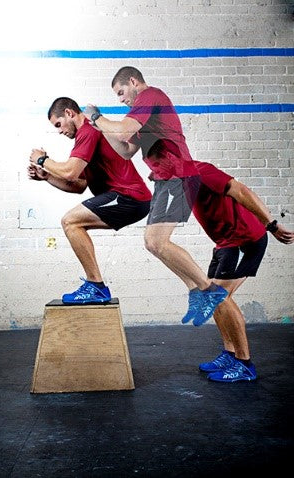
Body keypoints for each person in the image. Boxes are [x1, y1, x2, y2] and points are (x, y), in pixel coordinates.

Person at [84, 66, 228, 326]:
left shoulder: (150, 96)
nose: (121, 99)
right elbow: (126, 149)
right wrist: (101, 128)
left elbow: (124, 131)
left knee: (158, 242)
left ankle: (209, 290)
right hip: (164, 180)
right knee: (152, 243)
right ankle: (196, 290)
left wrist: (96, 118)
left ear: (133, 81)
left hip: (178, 176)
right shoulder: (142, 114)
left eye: (121, 92)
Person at [29, 97, 152, 304]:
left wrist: (42, 160)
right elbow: (78, 185)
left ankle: (96, 286)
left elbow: (69, 171)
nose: (59, 131)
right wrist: (47, 176)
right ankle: (96, 285)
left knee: (70, 221)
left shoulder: (88, 131)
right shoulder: (84, 138)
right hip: (128, 199)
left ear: (69, 113)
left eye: (59, 124)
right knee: (74, 223)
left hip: (129, 197)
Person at [185, 159, 294, 382]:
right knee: (211, 299)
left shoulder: (201, 170)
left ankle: (244, 364)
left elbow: (242, 191)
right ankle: (230, 354)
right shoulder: (172, 178)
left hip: (245, 240)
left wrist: (271, 225)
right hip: (225, 243)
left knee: (218, 297)